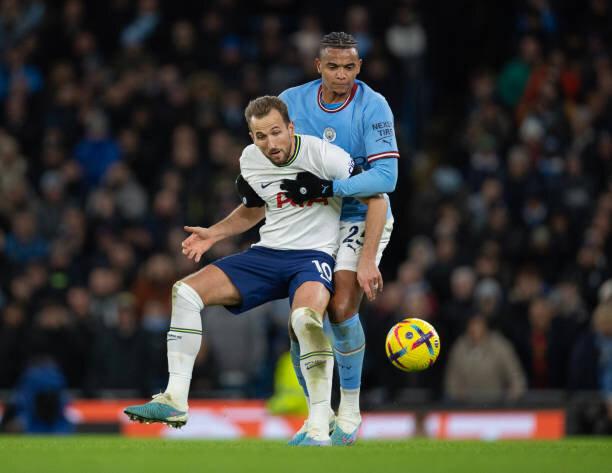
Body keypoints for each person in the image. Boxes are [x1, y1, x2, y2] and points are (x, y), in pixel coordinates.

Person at [124, 96, 387, 446]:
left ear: (291, 128)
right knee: (184, 292)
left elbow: (377, 196)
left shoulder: (325, 156)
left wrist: (367, 259)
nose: (270, 143)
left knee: (304, 321)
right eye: (260, 136)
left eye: (276, 132)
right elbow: (255, 207)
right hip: (267, 253)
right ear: (251, 137)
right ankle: (174, 399)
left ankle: (319, 425)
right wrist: (214, 233)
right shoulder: (250, 161)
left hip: (313, 255)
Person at [277, 31, 399, 445]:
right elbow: (273, 153)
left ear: (359, 67)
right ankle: (318, 418)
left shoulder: (373, 105)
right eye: (333, 67)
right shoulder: (291, 101)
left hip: (361, 215)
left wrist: (368, 259)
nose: (342, 75)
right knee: (301, 321)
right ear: (318, 66)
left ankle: (349, 411)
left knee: (343, 306)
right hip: (312, 220)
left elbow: (386, 178)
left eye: (349, 67)